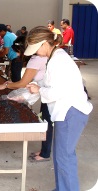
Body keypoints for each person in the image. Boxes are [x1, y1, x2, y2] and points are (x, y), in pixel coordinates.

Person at [24, 26, 92, 191]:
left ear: (44, 43)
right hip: (67, 111)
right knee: (61, 155)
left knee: (64, 157)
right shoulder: (55, 56)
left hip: (71, 111)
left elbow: (57, 92)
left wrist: (39, 90)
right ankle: (62, 187)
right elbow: (52, 83)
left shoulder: (59, 61)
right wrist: (38, 85)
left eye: (35, 48)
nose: (35, 53)